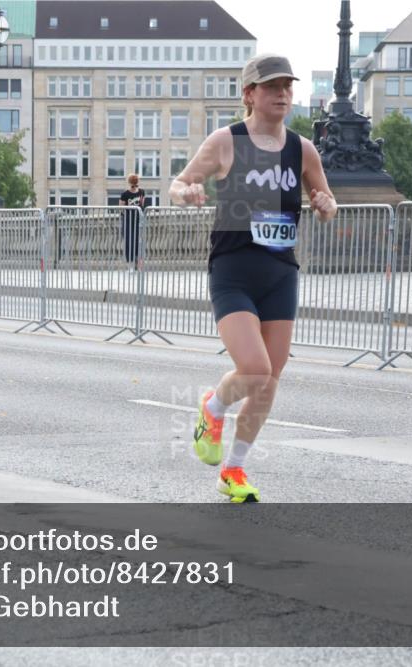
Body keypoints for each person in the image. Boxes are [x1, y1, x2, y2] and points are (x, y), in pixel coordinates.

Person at [169, 54, 337, 503]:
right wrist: (188, 192)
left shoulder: (301, 148)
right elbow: (178, 184)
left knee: (271, 377)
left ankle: (235, 469)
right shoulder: (227, 141)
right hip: (234, 270)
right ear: (249, 95)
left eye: (287, 86)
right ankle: (213, 407)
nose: (282, 94)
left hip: (280, 271)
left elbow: (326, 199)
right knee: (255, 368)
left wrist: (325, 206)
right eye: (271, 87)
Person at [119, 174, 147, 272]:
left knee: (133, 243)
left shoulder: (127, 194)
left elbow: (121, 208)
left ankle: (132, 265)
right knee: (133, 242)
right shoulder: (127, 194)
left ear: (129, 182)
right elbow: (142, 206)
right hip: (132, 221)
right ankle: (134, 265)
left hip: (134, 220)